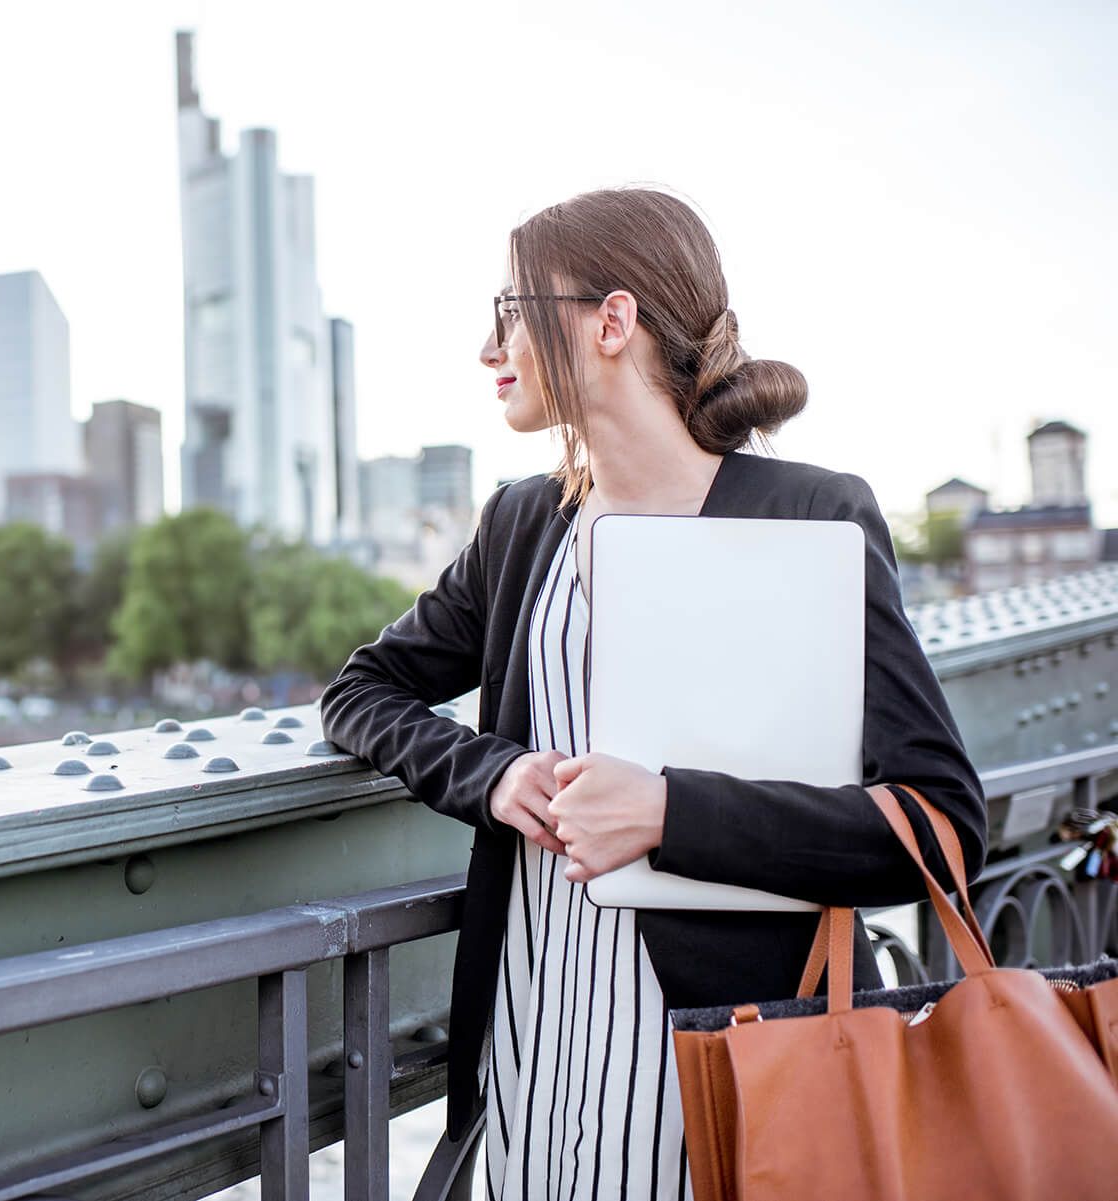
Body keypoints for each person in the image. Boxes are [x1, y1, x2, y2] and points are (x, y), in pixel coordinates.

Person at [318, 187, 986, 1201]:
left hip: (724, 1076)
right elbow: (362, 689)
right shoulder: (521, 524)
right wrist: (493, 775)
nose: (487, 344)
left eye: (510, 308)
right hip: (530, 1056)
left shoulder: (809, 515)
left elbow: (937, 821)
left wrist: (669, 810)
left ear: (612, 322)